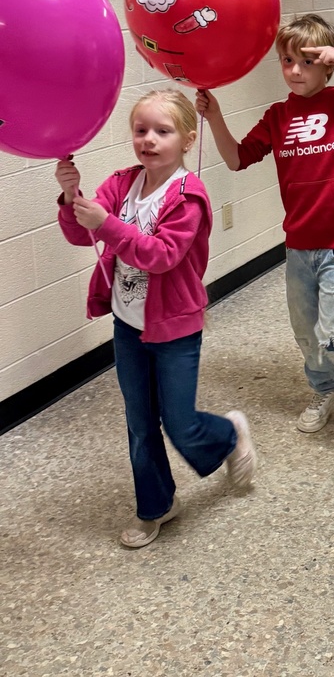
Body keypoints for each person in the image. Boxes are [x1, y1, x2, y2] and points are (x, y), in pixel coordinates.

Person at [55, 90, 256, 550]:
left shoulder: (189, 196)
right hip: (128, 325)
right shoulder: (123, 182)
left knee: (180, 423)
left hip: (175, 328)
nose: (148, 140)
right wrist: (72, 198)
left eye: (162, 131)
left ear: (187, 139)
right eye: (140, 130)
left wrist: (106, 224)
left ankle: (228, 435)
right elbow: (77, 231)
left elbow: (162, 255)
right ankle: (156, 505)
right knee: (140, 421)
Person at [196, 14, 334, 442]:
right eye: (287, 60)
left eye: (307, 61)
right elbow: (236, 158)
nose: (294, 70)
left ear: (326, 64)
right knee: (307, 332)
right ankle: (325, 389)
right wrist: (215, 115)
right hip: (298, 245)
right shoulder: (277, 116)